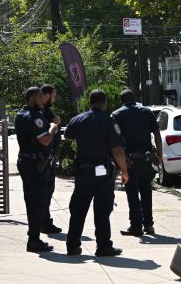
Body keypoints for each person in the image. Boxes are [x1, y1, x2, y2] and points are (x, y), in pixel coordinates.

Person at [65, 89, 129, 257]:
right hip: (101, 171)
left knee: (78, 209)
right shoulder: (108, 121)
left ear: (90, 102)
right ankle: (103, 246)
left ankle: (72, 245)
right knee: (102, 209)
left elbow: (68, 136)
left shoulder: (78, 119)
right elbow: (118, 150)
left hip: (83, 170)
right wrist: (124, 171)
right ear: (104, 102)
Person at [15, 86, 60, 253]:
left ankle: (33, 237)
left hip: (27, 162)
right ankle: (33, 240)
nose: (43, 101)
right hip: (35, 165)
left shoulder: (20, 114)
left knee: (32, 201)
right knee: (38, 202)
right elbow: (46, 139)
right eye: (40, 98)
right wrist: (54, 126)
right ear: (32, 99)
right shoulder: (34, 117)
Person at [112, 90, 163, 237]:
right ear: (134, 99)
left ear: (122, 101)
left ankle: (136, 226)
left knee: (132, 193)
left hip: (129, 161)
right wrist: (159, 155)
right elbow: (157, 134)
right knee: (146, 191)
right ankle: (148, 224)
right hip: (146, 160)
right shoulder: (146, 112)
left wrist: (119, 162)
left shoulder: (117, 115)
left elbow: (114, 140)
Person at [40, 84, 63, 234]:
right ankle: (44, 222)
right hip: (44, 160)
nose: (54, 99)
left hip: (48, 159)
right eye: (53, 96)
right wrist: (55, 123)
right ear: (47, 95)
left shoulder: (46, 111)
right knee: (45, 192)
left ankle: (44, 221)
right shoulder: (43, 113)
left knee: (47, 192)